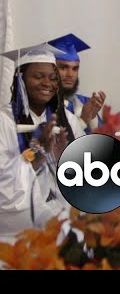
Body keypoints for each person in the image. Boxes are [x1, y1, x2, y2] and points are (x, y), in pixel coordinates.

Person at [0, 43, 86, 243]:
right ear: (21, 79)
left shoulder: (67, 120)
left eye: (53, 78)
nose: (47, 83)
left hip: (59, 205)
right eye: (38, 76)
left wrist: (65, 159)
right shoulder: (4, 120)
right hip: (15, 218)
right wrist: (35, 156)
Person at [47, 33, 106, 134]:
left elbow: (102, 140)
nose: (70, 74)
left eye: (75, 69)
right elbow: (55, 141)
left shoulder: (85, 102)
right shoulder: (44, 106)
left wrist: (92, 117)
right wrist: (83, 120)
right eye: (63, 67)